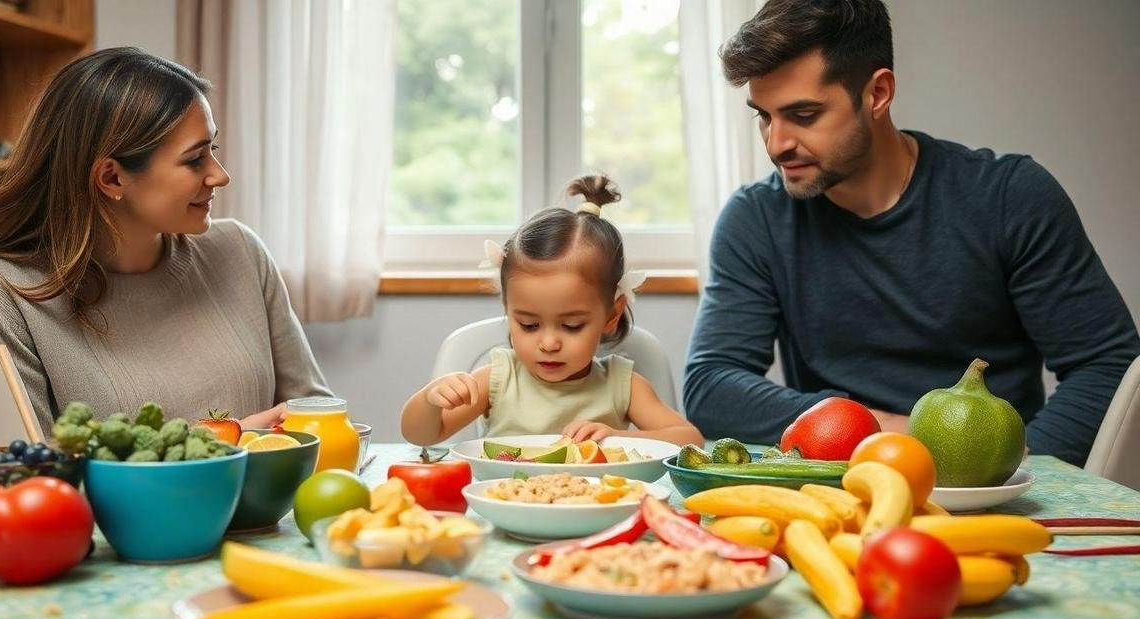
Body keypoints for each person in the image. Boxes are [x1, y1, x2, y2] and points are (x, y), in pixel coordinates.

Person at [683, 0, 1139, 466]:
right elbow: (712, 385)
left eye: (803, 116)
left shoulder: (1010, 196)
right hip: (842, 485)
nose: (776, 144)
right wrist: (894, 434)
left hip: (997, 485)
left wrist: (1019, 464)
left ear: (877, 93)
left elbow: (1107, 365)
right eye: (763, 115)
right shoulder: (754, 219)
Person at [0, 47, 332, 432]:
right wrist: (222, 449)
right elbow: (18, 477)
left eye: (212, 149)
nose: (220, 175)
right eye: (194, 159)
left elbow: (318, 412)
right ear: (112, 178)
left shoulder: (240, 251)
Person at [401, 175, 703, 448]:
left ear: (611, 315)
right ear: (508, 310)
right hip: (506, 504)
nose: (548, 343)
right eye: (529, 325)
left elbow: (690, 440)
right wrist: (431, 399)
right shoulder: (498, 378)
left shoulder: (621, 384)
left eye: (571, 326)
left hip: (594, 507)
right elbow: (420, 436)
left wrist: (620, 437)